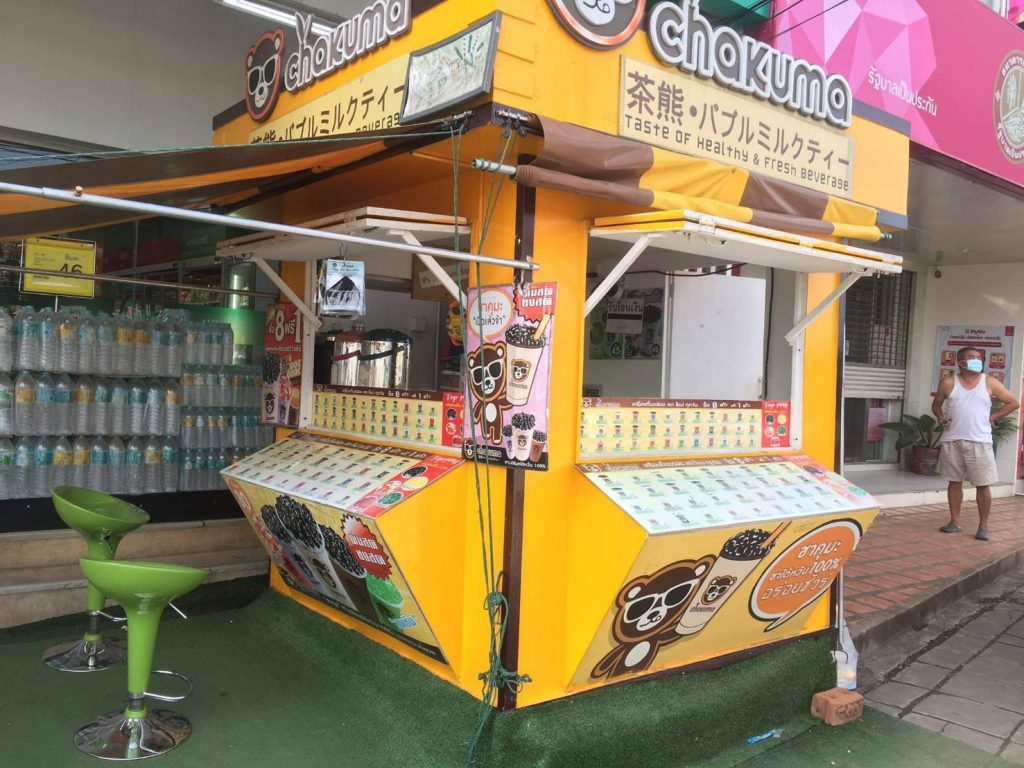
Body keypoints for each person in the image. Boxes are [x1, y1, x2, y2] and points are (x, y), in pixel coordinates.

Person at [931, 346, 1019, 541]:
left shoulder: (989, 381)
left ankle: (983, 527)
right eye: (972, 357)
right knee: (954, 482)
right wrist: (941, 417)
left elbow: (1013, 402)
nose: (977, 360)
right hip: (952, 440)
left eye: (979, 357)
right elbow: (936, 405)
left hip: (980, 441)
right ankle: (954, 522)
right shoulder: (948, 383)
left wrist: (993, 417)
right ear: (960, 362)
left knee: (983, 484)